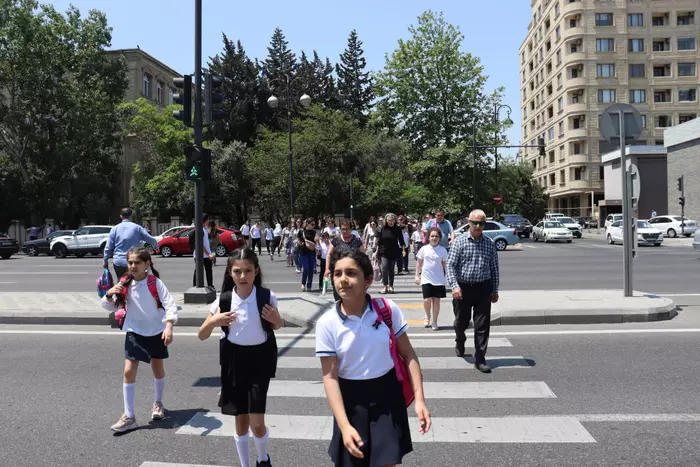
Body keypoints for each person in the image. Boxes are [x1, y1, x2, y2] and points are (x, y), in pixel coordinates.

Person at [316, 249, 431, 467]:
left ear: (368, 280)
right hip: (350, 401)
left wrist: (420, 401)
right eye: (337, 273)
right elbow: (330, 378)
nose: (343, 280)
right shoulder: (327, 323)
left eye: (351, 273)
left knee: (387, 462)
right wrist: (344, 425)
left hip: (387, 396)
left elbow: (408, 354)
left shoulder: (387, 310)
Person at [198, 247, 282, 467]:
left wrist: (277, 319)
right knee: (241, 420)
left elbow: (277, 325)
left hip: (259, 361)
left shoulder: (266, 296)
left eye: (248, 270)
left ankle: (263, 459)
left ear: (256, 271)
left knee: (257, 423)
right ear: (230, 273)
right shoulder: (223, 300)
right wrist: (213, 321)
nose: (243, 276)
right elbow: (202, 334)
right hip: (234, 362)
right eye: (237, 271)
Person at [101, 247, 178, 432]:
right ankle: (129, 416)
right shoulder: (125, 283)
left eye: (137, 262)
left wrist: (168, 326)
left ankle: (158, 403)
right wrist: (110, 293)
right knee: (128, 371)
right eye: (130, 262)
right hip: (134, 332)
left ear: (147, 264)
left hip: (156, 332)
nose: (133, 266)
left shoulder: (155, 283)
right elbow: (109, 306)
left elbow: (170, 305)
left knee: (157, 368)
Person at [446, 209, 500, 373]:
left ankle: (480, 359)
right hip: (462, 289)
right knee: (461, 322)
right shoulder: (460, 242)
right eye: (475, 222)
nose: (477, 226)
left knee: (482, 325)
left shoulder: (489, 243)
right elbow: (450, 266)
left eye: (481, 223)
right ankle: (460, 338)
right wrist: (454, 286)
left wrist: (495, 289)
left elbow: (494, 268)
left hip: (483, 288)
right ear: (469, 223)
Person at [103, 207, 159, 279]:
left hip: (119, 262)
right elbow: (151, 240)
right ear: (131, 215)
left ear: (121, 216)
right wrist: (156, 247)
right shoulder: (137, 228)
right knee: (135, 282)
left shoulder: (114, 229)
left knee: (121, 282)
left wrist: (105, 261)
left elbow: (108, 247)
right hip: (134, 261)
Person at [415, 228, 448, 331]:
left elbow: (445, 265)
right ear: (428, 238)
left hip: (439, 279)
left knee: (436, 301)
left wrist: (448, 277)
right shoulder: (424, 249)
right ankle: (427, 315)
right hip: (426, 278)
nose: (434, 238)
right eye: (432, 236)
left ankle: (434, 321)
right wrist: (417, 276)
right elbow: (419, 263)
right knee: (427, 300)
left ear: (439, 238)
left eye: (436, 236)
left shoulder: (443, 250)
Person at [324, 219, 364, 300]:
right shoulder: (336, 240)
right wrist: (327, 269)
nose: (345, 231)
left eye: (347, 229)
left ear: (351, 229)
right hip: (338, 271)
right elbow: (329, 254)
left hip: (352, 272)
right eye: (343, 229)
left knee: (350, 295)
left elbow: (363, 256)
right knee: (338, 295)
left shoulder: (357, 241)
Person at [375, 213, 405, 294]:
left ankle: (391, 286)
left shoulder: (397, 229)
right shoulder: (383, 228)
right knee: (384, 267)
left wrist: (403, 250)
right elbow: (379, 241)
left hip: (393, 251)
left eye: (392, 220)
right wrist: (376, 251)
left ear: (395, 221)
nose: (390, 222)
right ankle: (385, 286)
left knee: (391, 269)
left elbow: (401, 240)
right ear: (386, 221)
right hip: (384, 251)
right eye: (389, 220)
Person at [193, 214, 215, 289]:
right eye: (208, 219)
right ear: (205, 220)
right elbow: (200, 244)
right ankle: (195, 286)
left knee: (208, 271)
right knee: (198, 271)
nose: (209, 221)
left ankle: (210, 285)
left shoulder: (204, 229)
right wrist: (208, 254)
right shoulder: (201, 230)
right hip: (201, 255)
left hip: (205, 255)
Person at [298, 218, 318, 292]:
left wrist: (317, 241)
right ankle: (303, 284)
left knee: (311, 270)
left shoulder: (314, 232)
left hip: (312, 252)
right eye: (312, 224)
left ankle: (309, 286)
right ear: (307, 224)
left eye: (314, 224)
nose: (313, 226)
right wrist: (299, 243)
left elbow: (316, 241)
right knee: (306, 268)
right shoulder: (301, 231)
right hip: (303, 252)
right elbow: (299, 240)